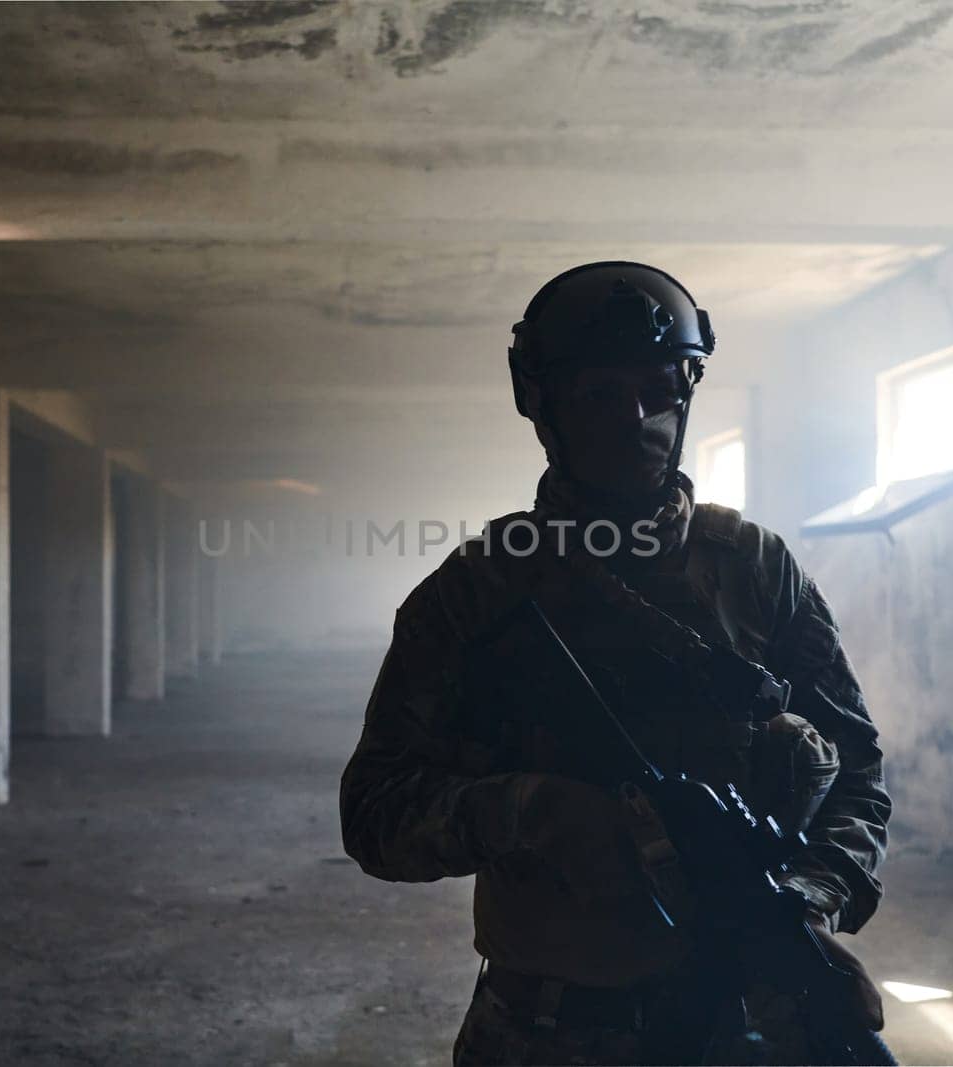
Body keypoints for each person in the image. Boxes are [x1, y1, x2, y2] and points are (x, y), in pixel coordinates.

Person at [339, 262, 891, 1065]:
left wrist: (803, 903)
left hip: (747, 1018)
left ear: (686, 389)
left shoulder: (754, 568)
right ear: (544, 405)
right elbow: (375, 814)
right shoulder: (479, 594)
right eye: (599, 392)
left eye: (657, 387)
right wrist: (527, 812)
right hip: (547, 1028)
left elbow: (857, 769)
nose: (634, 416)